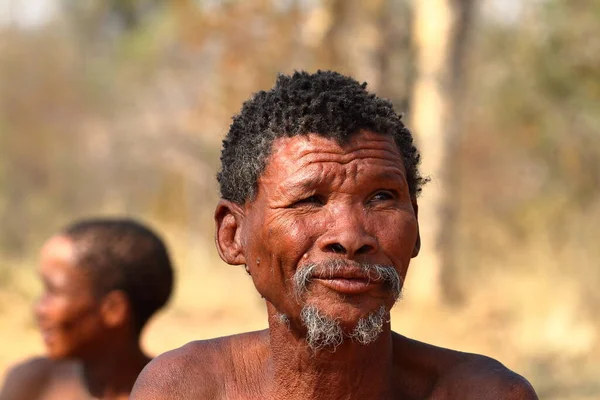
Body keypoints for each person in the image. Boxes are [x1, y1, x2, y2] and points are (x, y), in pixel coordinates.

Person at [131, 70, 538, 399]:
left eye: (382, 197)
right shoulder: (185, 389)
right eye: (309, 200)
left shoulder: (482, 394)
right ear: (232, 235)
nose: (350, 235)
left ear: (415, 230)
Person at [0, 218, 174, 400]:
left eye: (53, 291)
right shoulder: (31, 383)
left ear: (113, 309)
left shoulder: (173, 392)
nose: (39, 309)